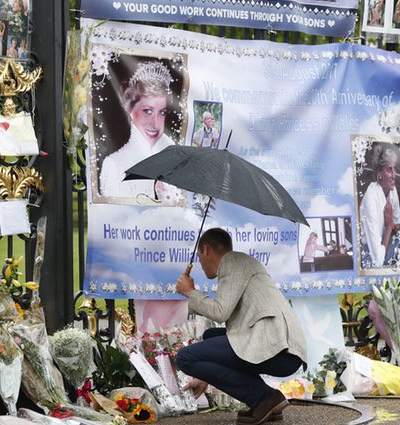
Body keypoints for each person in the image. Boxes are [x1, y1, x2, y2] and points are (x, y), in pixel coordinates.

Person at [175, 228, 307, 425]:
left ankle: (265, 398)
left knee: (185, 358)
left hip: (278, 348)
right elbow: (226, 318)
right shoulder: (241, 263)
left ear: (207, 250)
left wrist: (190, 292)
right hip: (281, 347)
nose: (200, 264)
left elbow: (221, 312)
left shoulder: (232, 262)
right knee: (211, 335)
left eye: (199, 256)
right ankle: (265, 403)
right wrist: (205, 374)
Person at [99, 61, 179, 201]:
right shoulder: (113, 165)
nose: (155, 123)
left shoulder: (174, 160)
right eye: (147, 111)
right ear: (130, 111)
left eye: (161, 112)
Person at [359, 144, 400, 269]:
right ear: (379, 172)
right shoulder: (371, 198)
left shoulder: (391, 190)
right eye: (389, 170)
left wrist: (394, 226)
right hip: (370, 256)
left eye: (394, 169)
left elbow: (399, 224)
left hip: (385, 246)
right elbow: (378, 260)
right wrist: (389, 226)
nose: (394, 175)